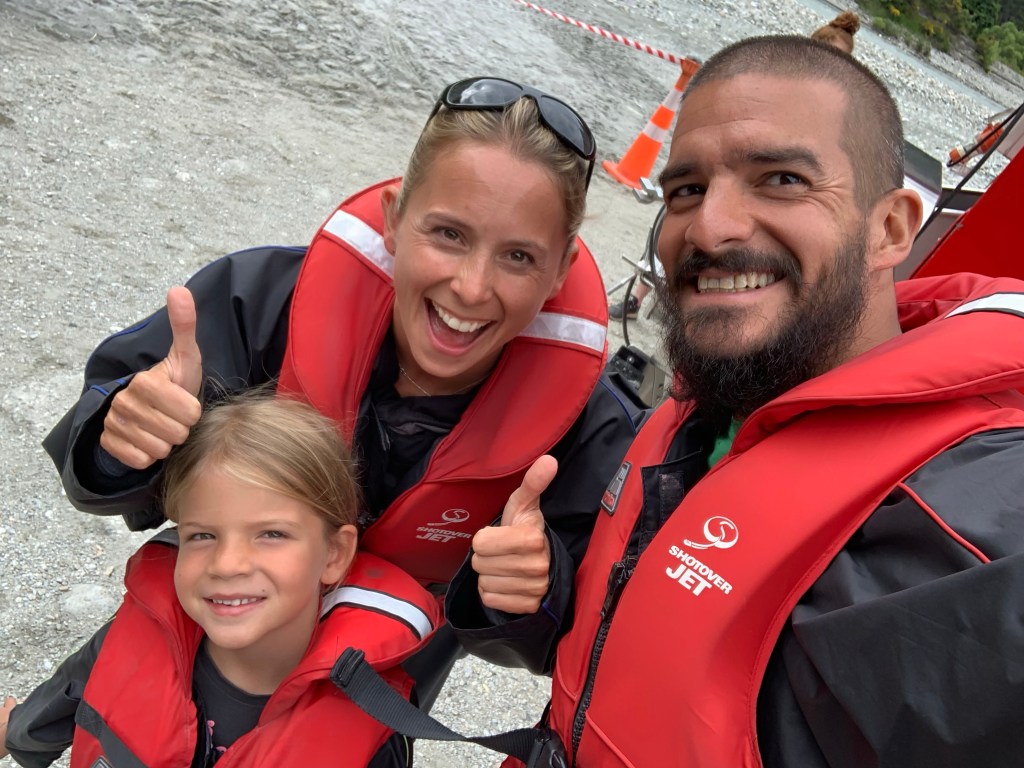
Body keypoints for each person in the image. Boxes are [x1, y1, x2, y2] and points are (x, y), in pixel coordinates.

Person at [448, 36, 1024, 766]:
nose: (710, 227)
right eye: (686, 190)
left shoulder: (975, 526)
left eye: (780, 179)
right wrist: (536, 591)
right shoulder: (702, 406)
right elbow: (636, 641)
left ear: (890, 229)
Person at [42, 77, 641, 709]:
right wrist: (122, 440)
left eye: (518, 257)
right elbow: (96, 474)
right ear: (393, 219)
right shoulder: (261, 306)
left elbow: (575, 643)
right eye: (448, 234)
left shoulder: (590, 430)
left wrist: (531, 593)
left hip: (370, 690)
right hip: (196, 630)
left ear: (560, 271)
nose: (470, 287)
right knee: (75, 724)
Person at [2, 393, 441, 767]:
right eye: (202, 535)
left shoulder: (377, 721)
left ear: (334, 554)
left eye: (272, 534)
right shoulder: (138, 630)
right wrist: (14, 733)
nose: (227, 565)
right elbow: (64, 696)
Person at [608, 11, 861, 325]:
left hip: (771, 193)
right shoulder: (776, 83)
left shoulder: (838, 110)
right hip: (730, 176)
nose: (827, 68)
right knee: (680, 229)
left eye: (837, 62)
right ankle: (638, 298)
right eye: (822, 57)